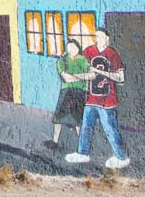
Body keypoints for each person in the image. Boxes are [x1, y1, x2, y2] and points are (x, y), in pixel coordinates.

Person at [64, 26, 130, 169]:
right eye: (96, 36)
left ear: (107, 38)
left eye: (100, 36)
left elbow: (120, 78)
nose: (97, 39)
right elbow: (83, 69)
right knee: (86, 127)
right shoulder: (89, 52)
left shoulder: (113, 54)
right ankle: (82, 153)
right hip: (91, 99)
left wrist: (101, 72)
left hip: (107, 101)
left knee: (110, 129)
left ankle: (121, 157)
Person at [45, 38, 88, 152]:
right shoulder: (62, 60)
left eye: (74, 47)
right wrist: (80, 76)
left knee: (78, 119)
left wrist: (74, 76)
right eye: (69, 47)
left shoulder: (83, 59)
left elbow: (90, 75)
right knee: (58, 118)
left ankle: (82, 145)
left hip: (80, 92)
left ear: (79, 48)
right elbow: (66, 78)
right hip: (67, 91)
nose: (72, 49)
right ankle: (55, 142)